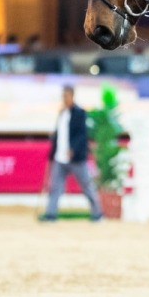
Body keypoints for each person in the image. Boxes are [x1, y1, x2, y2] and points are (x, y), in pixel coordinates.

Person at [40, 85, 103, 222]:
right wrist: (52, 155)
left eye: (66, 96)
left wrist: (73, 149)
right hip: (59, 158)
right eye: (63, 96)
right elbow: (58, 135)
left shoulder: (79, 112)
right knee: (55, 187)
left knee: (86, 185)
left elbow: (82, 135)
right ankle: (51, 213)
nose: (64, 98)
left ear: (72, 96)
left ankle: (97, 213)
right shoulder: (62, 113)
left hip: (76, 159)